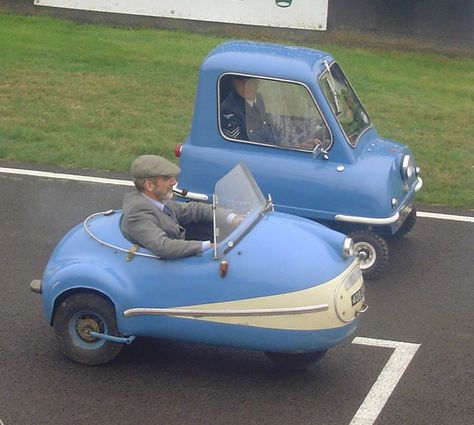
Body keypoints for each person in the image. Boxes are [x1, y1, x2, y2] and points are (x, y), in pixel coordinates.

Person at [121, 155, 216, 259]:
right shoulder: (138, 212)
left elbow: (193, 209)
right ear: (149, 186)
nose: (174, 182)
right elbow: (163, 247)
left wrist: (230, 217)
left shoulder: (159, 199)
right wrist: (208, 246)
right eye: (166, 178)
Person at [220, 76, 322, 150]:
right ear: (234, 84)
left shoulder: (258, 98)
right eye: (241, 82)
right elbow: (240, 148)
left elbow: (267, 129)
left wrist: (298, 142)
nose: (246, 87)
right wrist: (291, 148)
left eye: (249, 82)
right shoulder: (229, 110)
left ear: (258, 82)